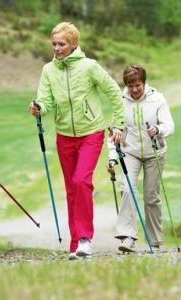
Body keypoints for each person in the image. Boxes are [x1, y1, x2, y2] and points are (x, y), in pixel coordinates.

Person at [28, 22, 125, 259]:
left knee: (82, 181)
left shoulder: (89, 66)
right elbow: (46, 100)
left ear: (73, 44)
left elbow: (113, 91)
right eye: (54, 44)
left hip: (91, 133)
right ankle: (75, 245)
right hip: (64, 136)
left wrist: (119, 123)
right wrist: (39, 107)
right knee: (71, 187)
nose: (57, 48)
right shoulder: (48, 70)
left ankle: (85, 239)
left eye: (61, 44)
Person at [107, 64, 174, 252]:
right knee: (127, 189)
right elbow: (115, 132)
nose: (134, 90)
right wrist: (112, 157)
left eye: (138, 85)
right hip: (130, 151)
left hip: (155, 152)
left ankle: (154, 240)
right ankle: (128, 237)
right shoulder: (120, 101)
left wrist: (159, 130)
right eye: (130, 86)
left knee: (151, 197)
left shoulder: (157, 99)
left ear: (144, 83)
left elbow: (169, 125)